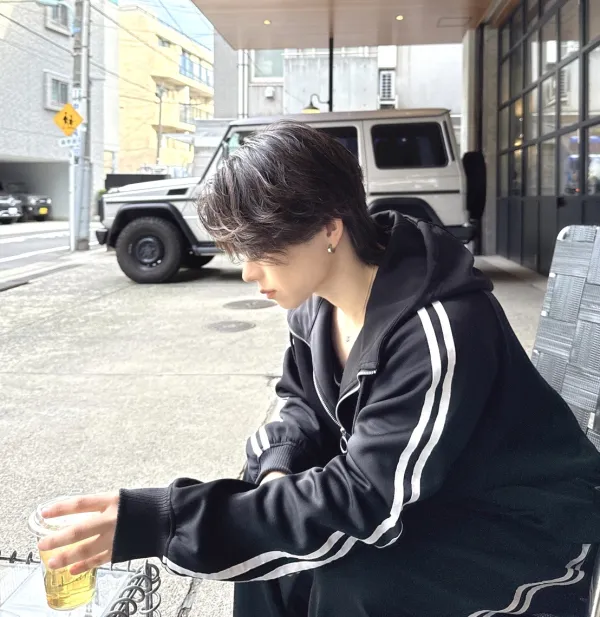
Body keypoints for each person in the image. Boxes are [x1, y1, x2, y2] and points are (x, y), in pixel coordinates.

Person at [38, 122, 600, 617]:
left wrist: (164, 520)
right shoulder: (315, 307)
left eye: (263, 249)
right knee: (271, 556)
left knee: (345, 578)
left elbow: (364, 499)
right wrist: (277, 468)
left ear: (331, 229)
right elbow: (302, 405)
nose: (248, 272)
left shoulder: (440, 330)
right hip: (427, 490)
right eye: (240, 251)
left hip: (521, 525)